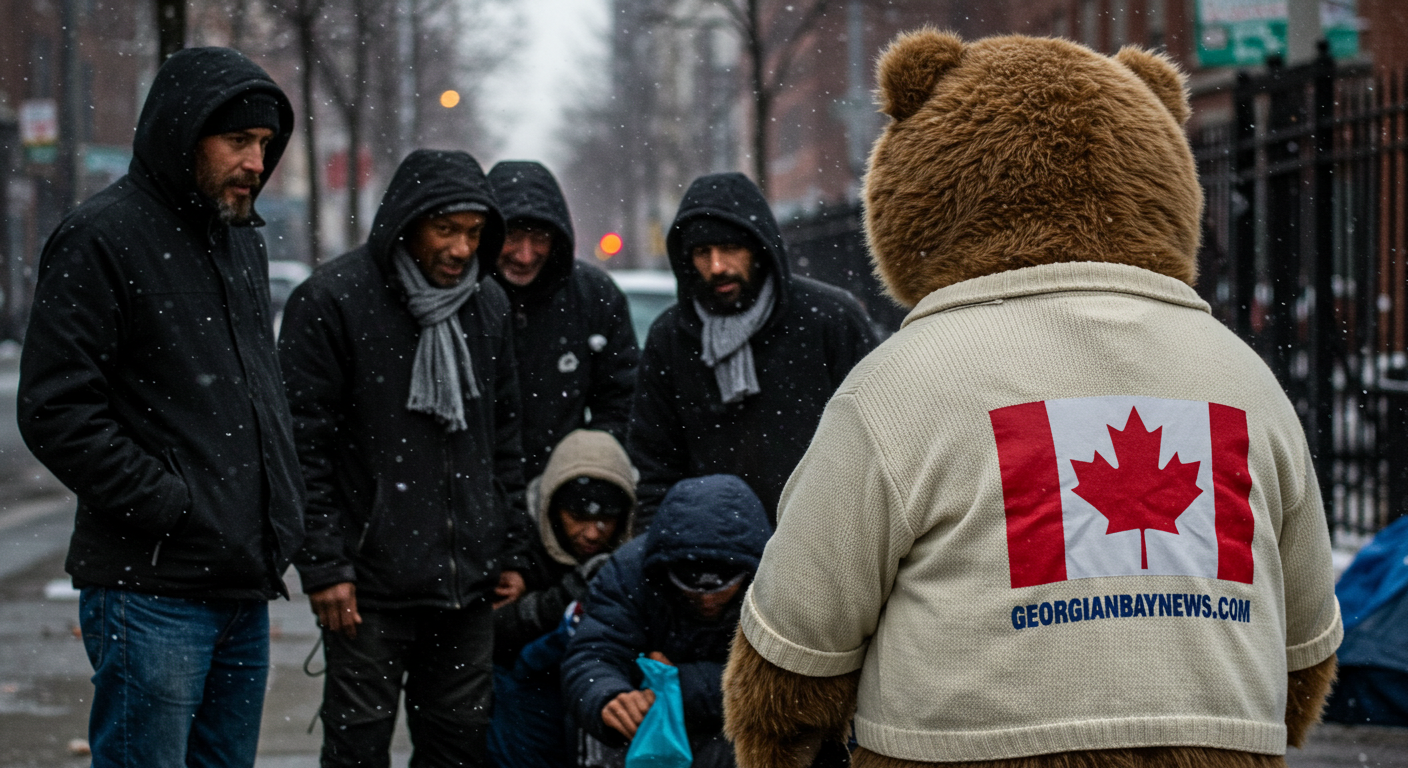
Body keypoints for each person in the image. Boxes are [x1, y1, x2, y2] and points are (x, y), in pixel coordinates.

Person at [16, 47, 304, 767]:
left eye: (264, 145)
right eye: (237, 141)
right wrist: (169, 504)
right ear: (184, 133)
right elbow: (55, 409)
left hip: (240, 581)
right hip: (150, 589)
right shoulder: (102, 236)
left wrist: (277, 512)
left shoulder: (239, 240)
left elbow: (250, 392)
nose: (254, 162)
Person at [278, 148, 528, 767]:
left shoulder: (489, 306)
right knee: (358, 749)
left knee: (458, 749)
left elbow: (505, 441)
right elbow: (302, 447)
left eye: (473, 233)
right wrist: (325, 566)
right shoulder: (332, 302)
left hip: (466, 586)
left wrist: (510, 547)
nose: (460, 248)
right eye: (444, 229)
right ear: (405, 223)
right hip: (367, 588)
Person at [627, 172, 878, 530]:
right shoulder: (671, 338)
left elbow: (880, 440)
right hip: (711, 557)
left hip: (826, 541)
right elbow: (655, 467)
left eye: (730, 248)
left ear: (759, 248)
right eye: (702, 252)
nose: (716, 266)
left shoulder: (830, 319)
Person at [562, 474, 770, 768]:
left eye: (721, 588)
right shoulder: (629, 572)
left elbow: (786, 682)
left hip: (736, 728)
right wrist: (607, 695)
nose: (707, 600)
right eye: (691, 588)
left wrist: (677, 685)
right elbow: (593, 653)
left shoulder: (779, 583)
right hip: (645, 725)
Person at [488, 429, 637, 768]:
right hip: (526, 708)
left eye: (606, 519)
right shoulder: (517, 547)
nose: (592, 533)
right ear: (553, 508)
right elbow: (491, 628)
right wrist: (570, 593)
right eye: (579, 516)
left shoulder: (635, 559)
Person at [486, 161, 639, 479]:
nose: (525, 255)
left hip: (565, 498)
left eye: (539, 237)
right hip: (478, 497)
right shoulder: (464, 299)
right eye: (512, 236)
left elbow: (621, 400)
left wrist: (584, 474)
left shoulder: (595, 295)